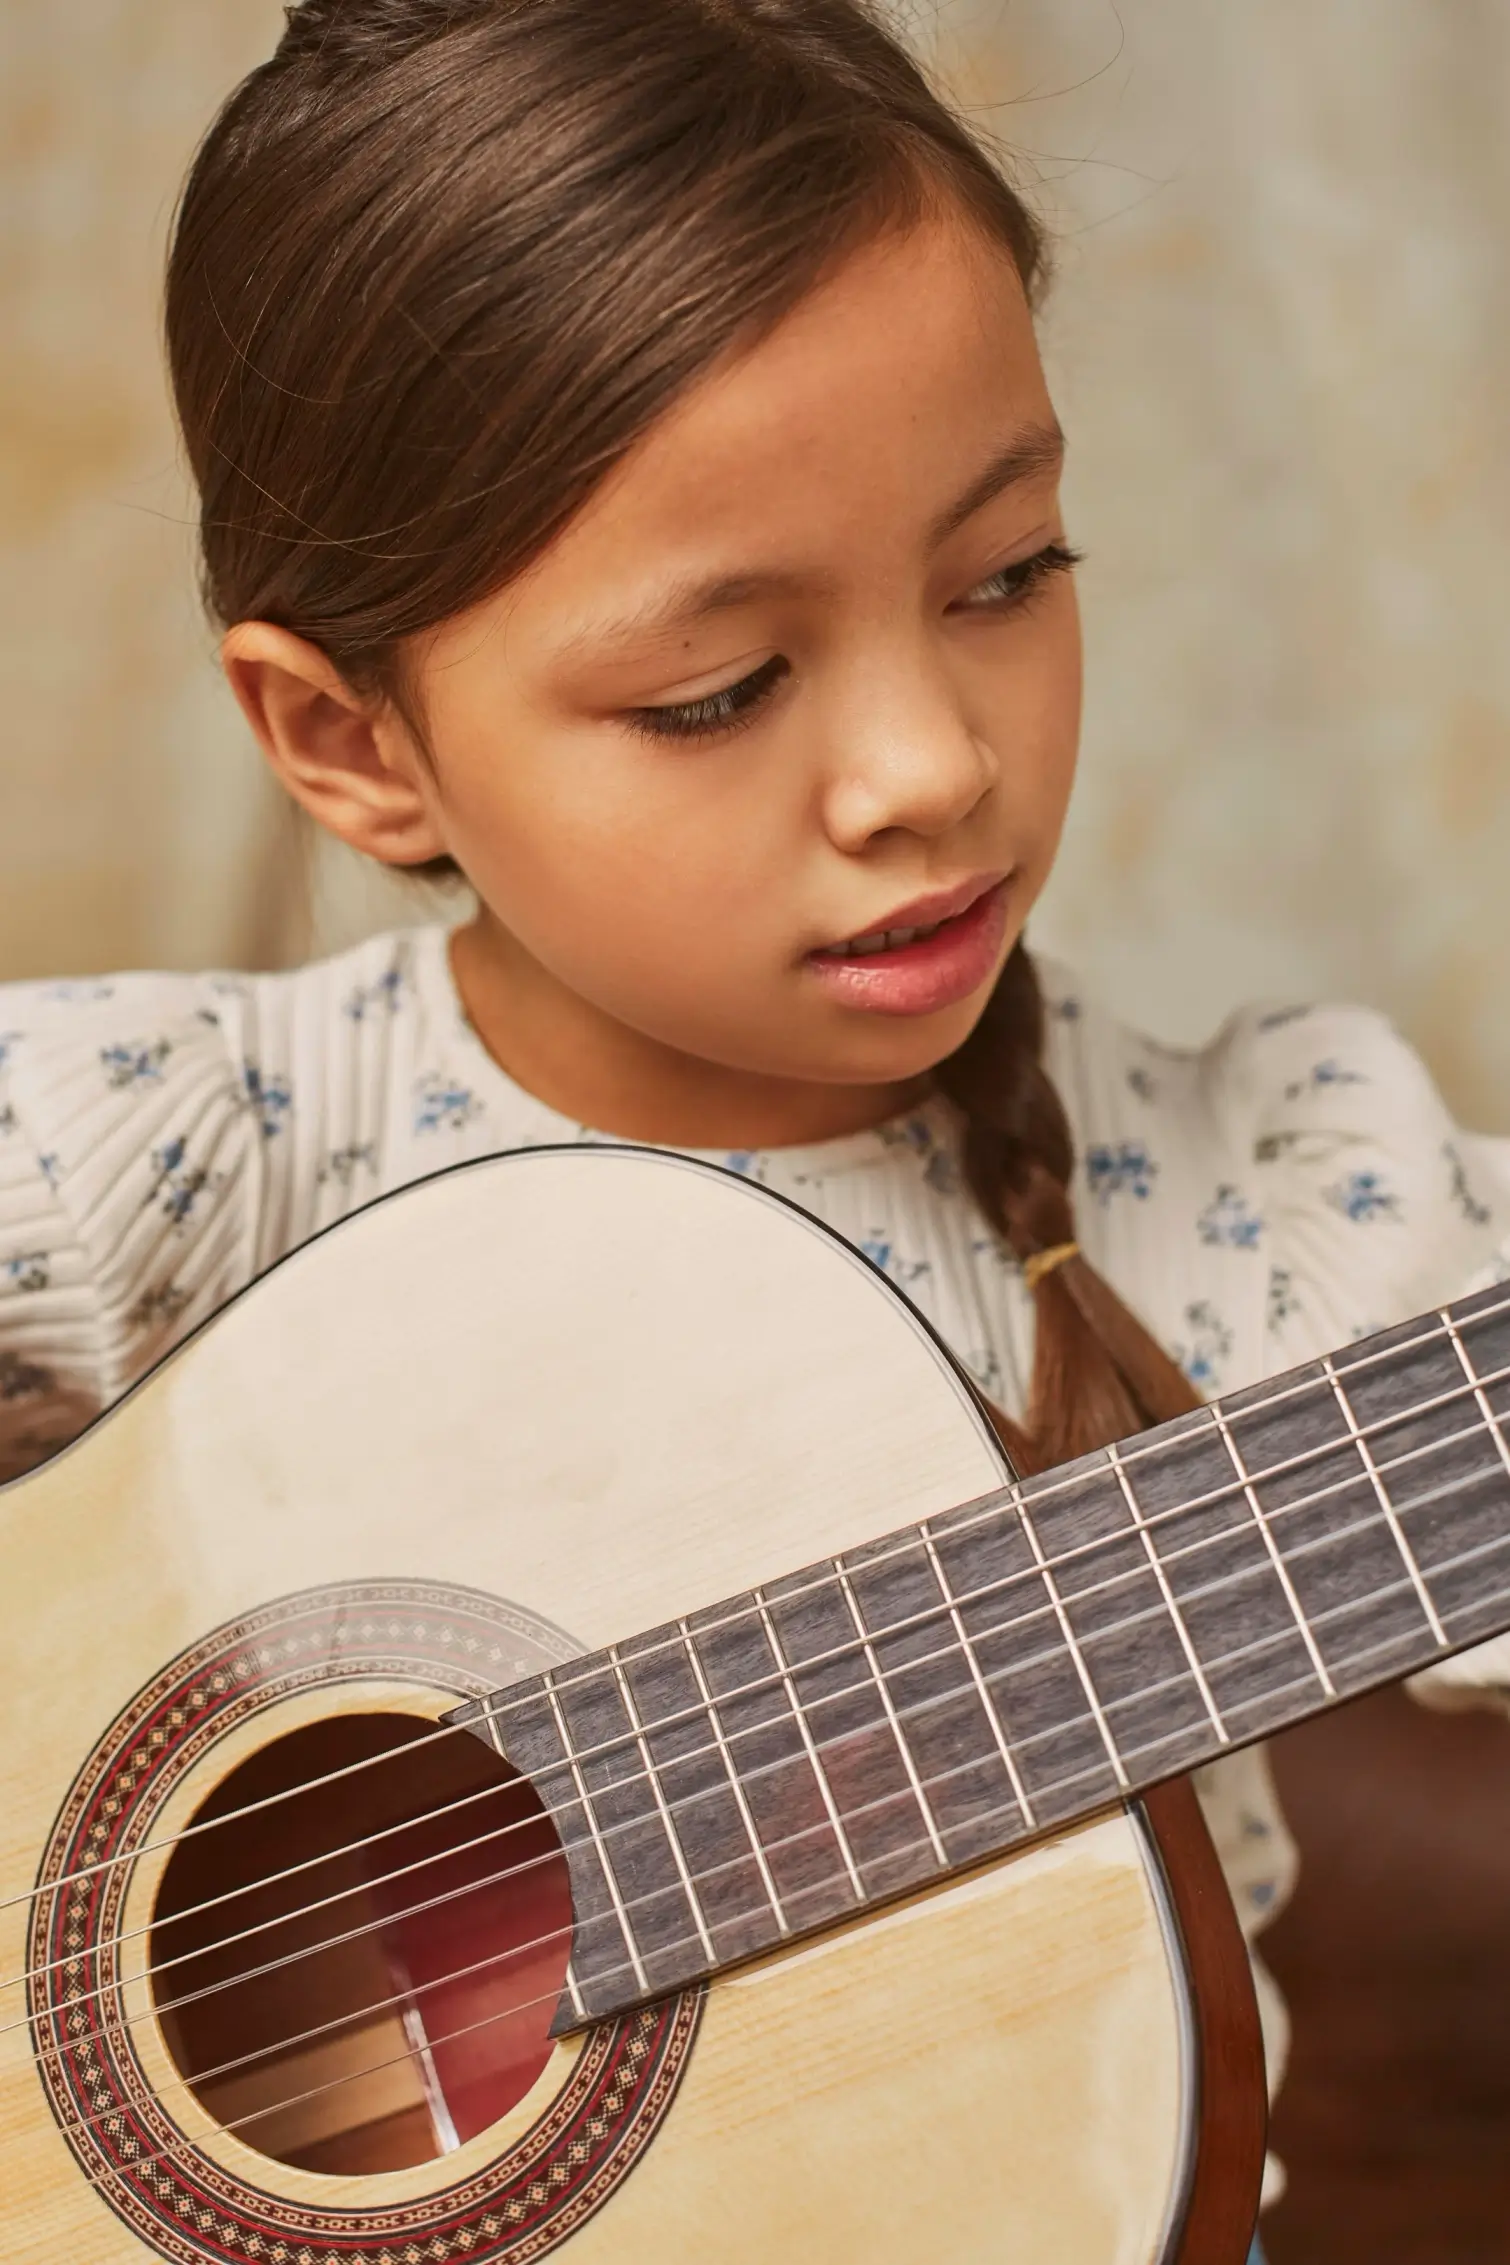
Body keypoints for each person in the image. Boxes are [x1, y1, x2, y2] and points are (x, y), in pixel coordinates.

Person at [1, 2, 1506, 2252]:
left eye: (1005, 573)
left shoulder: (1265, 1198)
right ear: (349, 741)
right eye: (716, 687)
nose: (930, 763)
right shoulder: (173, 1143)